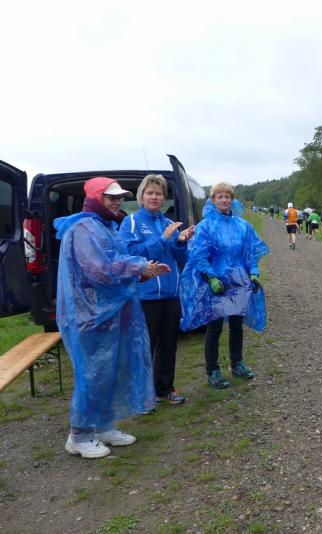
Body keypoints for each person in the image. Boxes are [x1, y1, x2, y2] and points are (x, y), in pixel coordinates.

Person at [56, 177, 168, 459]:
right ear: (95, 198)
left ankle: (104, 426)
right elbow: (100, 270)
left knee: (111, 371)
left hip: (112, 312)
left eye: (119, 197)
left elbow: (117, 266)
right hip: (90, 316)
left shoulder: (107, 226)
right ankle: (79, 435)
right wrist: (138, 266)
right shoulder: (83, 228)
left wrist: (144, 272)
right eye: (111, 197)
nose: (117, 202)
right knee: (92, 374)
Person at [180, 183, 270, 389]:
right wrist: (211, 277)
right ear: (213, 200)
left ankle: (237, 364)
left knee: (237, 325)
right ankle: (213, 371)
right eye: (219, 196)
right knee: (215, 327)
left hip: (239, 281)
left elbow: (250, 252)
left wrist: (253, 273)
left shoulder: (243, 226)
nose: (223, 200)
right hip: (217, 283)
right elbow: (199, 255)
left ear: (232, 199)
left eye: (227, 196)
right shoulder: (206, 226)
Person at [120, 174, 195, 406]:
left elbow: (180, 259)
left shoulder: (168, 223)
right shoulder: (131, 222)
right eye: (150, 192)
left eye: (159, 193)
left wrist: (181, 242)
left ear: (164, 198)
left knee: (169, 345)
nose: (154, 197)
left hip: (171, 294)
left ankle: (165, 389)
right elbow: (132, 256)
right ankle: (142, 396)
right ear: (141, 196)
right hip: (145, 295)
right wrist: (163, 239)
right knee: (144, 347)